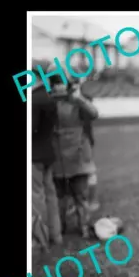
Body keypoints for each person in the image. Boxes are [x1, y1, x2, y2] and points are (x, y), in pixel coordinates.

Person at [50, 74, 100, 238]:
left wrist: (78, 99)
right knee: (60, 196)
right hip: (58, 156)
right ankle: (61, 227)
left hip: (77, 154)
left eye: (61, 84)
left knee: (80, 195)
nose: (59, 87)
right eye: (56, 84)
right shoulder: (49, 101)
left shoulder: (78, 101)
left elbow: (93, 114)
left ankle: (84, 227)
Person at [32, 58, 63, 251]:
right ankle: (55, 235)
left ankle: (39, 240)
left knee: (36, 199)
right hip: (48, 153)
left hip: (34, 155)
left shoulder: (34, 99)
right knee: (50, 196)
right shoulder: (48, 98)